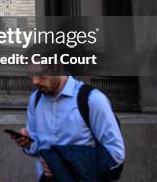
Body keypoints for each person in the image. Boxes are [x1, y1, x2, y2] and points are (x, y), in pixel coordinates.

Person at [12, 48, 125, 181]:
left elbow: (116, 156)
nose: (35, 81)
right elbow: (39, 148)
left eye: (41, 74)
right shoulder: (35, 99)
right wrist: (28, 143)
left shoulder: (92, 100)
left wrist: (60, 166)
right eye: (31, 75)